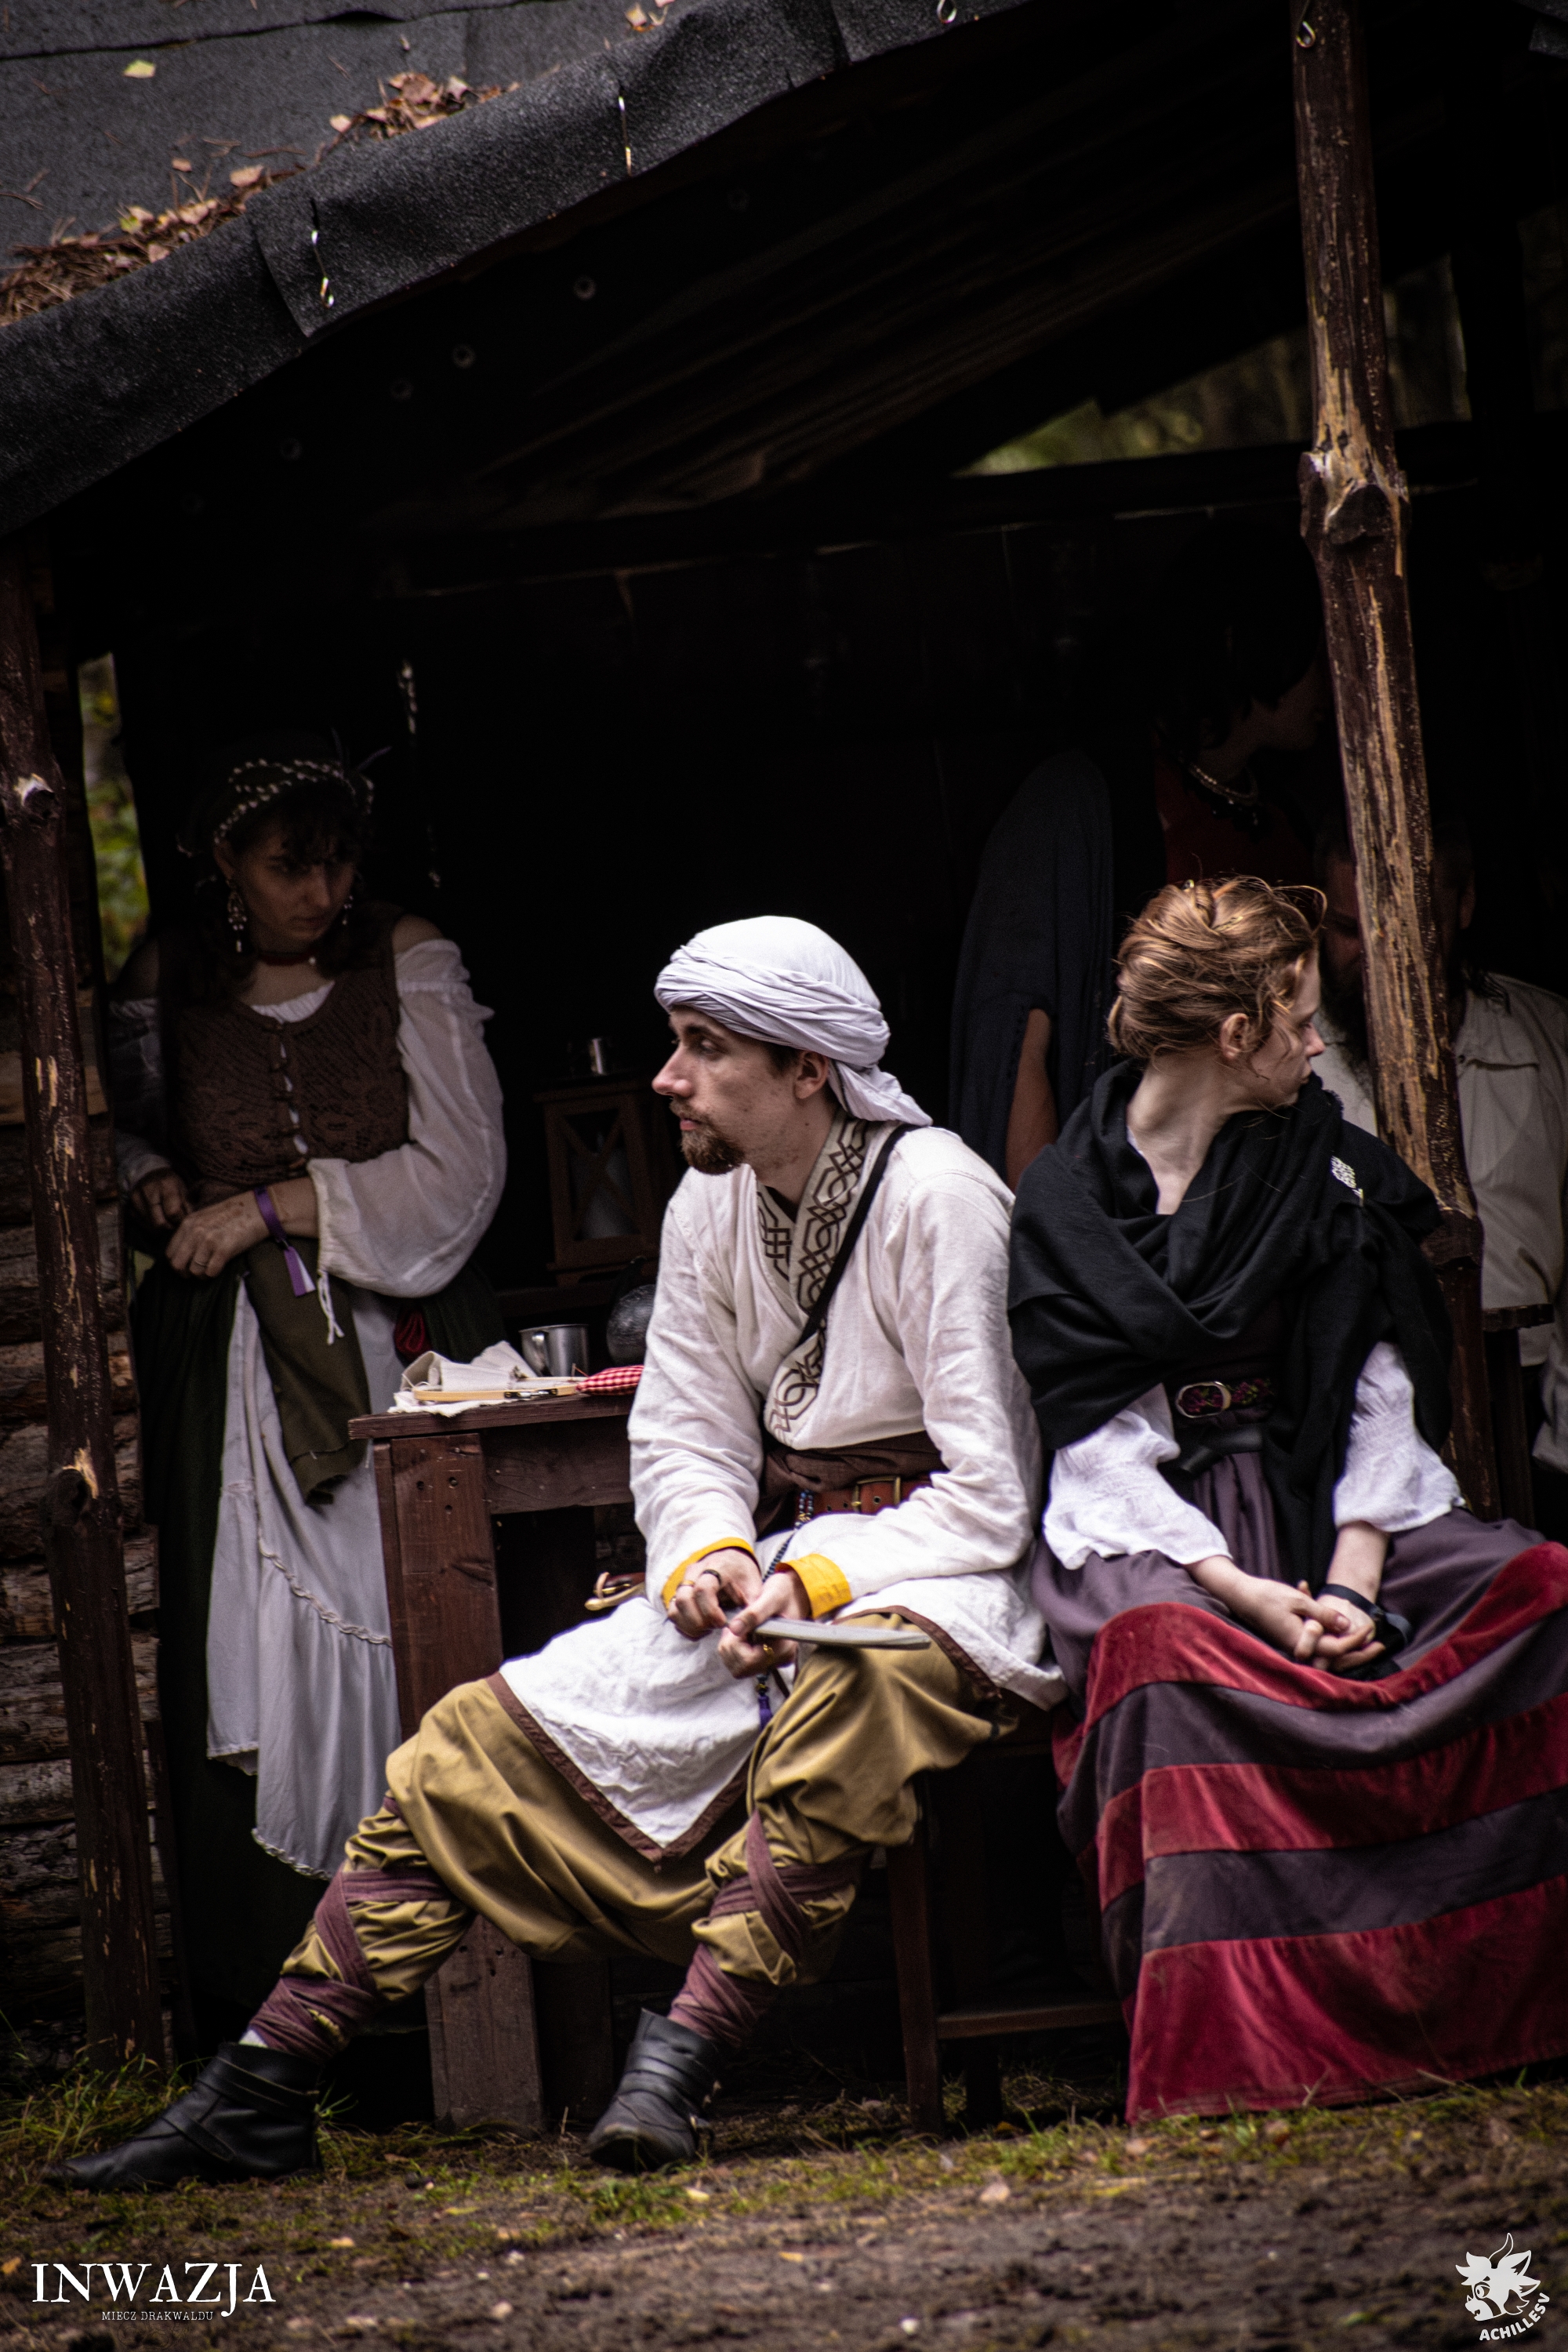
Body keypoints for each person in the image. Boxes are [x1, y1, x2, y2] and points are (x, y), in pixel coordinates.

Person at [59, 914, 1053, 2191]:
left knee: (850, 1696)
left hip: (946, 1583)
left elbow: (994, 1494)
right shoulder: (710, 1203)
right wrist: (709, 1553)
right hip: (783, 1572)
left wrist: (815, 1578)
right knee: (473, 1736)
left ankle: (678, 2066)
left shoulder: (943, 1199)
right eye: (675, 1043)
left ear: (810, 1068)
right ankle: (261, 2084)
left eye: (705, 1048)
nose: (668, 1077)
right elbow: (686, 1429)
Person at [1010, 875, 1568, 2122]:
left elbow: (1381, 1383)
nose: (1319, 1046)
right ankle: (1243, 2048)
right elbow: (1092, 1440)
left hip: (1333, 1497)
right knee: (1164, 1659)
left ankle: (1494, 2003)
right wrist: (1242, 1592)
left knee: (1541, 1590)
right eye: (1300, 1020)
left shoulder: (1325, 1170)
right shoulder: (1066, 1205)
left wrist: (1353, 1581)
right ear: (1235, 1034)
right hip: (1157, 1527)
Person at [111, 735, 506, 2028]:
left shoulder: (407, 958)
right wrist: (147, 1176)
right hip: (234, 1371)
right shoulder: (170, 981)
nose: (322, 892)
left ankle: (443, 1996)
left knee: (419, 1619)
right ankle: (270, 1994)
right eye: (291, 866)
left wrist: (272, 1206)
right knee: (248, 1638)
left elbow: (462, 1172)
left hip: (401, 1323)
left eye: (338, 863)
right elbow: (108, 1124)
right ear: (226, 862)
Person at [950, 520, 1331, 1188]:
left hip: (1273, 1193)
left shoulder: (1288, 817)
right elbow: (1015, 1046)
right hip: (1132, 1204)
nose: (1332, 675)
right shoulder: (1076, 807)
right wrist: (1058, 1230)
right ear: (1242, 643)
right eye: (1314, 646)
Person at [1313, 811, 1568, 1524]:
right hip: (1349, 1417)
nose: (1377, 959)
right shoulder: (1286, 1063)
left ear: (1464, 905)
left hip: (1530, 1413)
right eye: (1348, 930)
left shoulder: (1550, 1040)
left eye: (1404, 931)